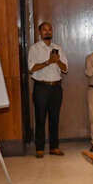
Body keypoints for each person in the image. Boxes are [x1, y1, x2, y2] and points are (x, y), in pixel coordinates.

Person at [28, 21, 67, 157]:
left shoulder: (58, 48)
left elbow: (65, 68)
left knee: (54, 118)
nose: (47, 32)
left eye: (50, 29)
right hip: (41, 87)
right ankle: (39, 148)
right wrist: (48, 62)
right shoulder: (35, 48)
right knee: (40, 118)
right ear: (40, 32)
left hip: (56, 87)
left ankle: (54, 147)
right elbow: (31, 68)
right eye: (44, 30)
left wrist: (57, 61)